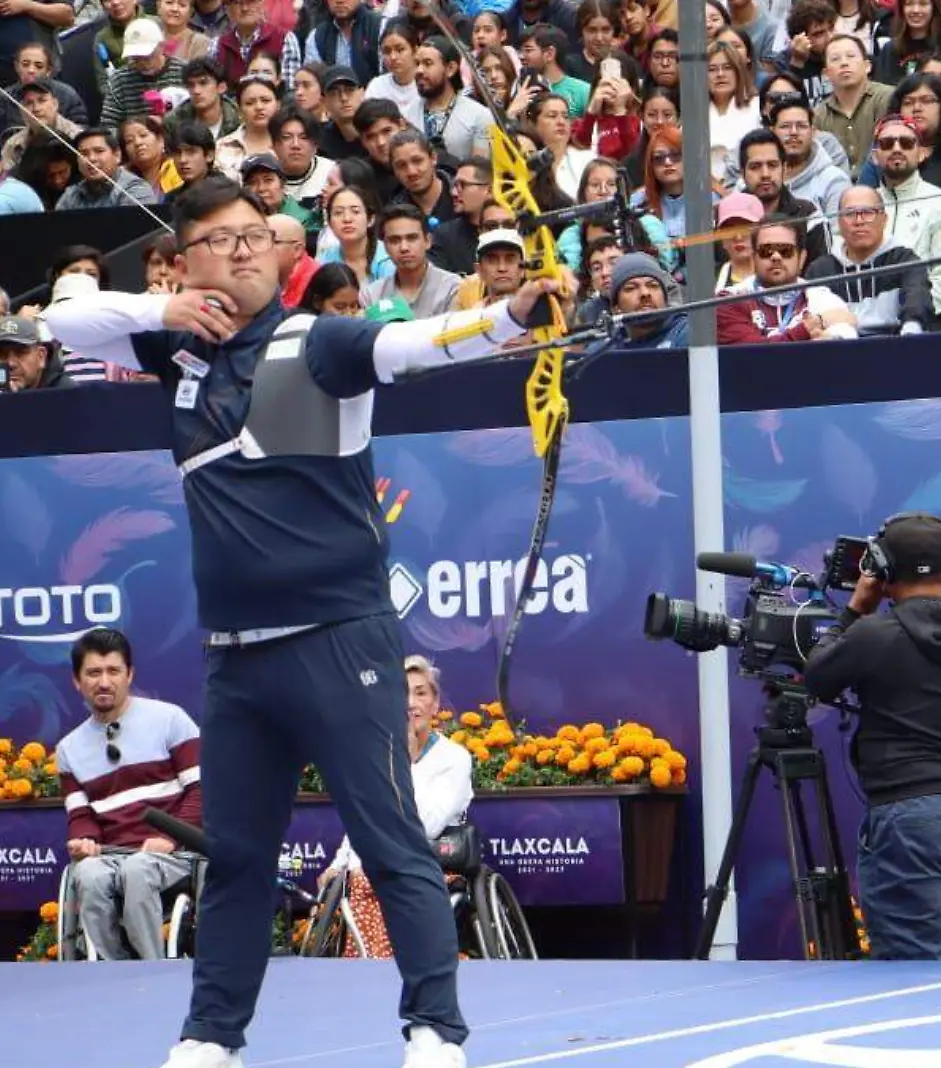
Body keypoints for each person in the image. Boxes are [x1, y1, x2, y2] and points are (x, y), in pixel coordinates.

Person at [41, 174, 564, 1068]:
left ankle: (435, 1031)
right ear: (186, 260)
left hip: (337, 639)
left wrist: (511, 316)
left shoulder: (318, 343)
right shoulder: (184, 351)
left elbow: (418, 343)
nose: (245, 249)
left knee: (389, 840)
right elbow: (61, 320)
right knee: (237, 859)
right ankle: (211, 1038)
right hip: (238, 662)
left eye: (258, 235)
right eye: (222, 238)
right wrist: (167, 311)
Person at [801, 513, 941, 961]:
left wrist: (855, 609)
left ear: (880, 569)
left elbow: (817, 677)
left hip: (906, 815)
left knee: (912, 966)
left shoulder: (872, 633)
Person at [53, 628, 203, 962]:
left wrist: (169, 837)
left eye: (113, 671)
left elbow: (202, 791)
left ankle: (152, 969)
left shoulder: (170, 719)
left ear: (129, 675)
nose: (104, 682)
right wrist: (84, 841)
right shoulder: (68, 750)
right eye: (93, 673)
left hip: (172, 855)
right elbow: (81, 817)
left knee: (137, 869)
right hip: (112, 854)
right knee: (88, 874)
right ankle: (112, 971)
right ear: (77, 681)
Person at [317, 656, 474, 958]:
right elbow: (361, 821)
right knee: (359, 879)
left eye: (420, 693)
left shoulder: (454, 759)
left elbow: (426, 825)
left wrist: (407, 764)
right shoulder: (374, 757)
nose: (411, 703)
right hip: (372, 871)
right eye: (401, 694)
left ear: (435, 703)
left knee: (386, 882)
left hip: (429, 869)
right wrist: (338, 863)